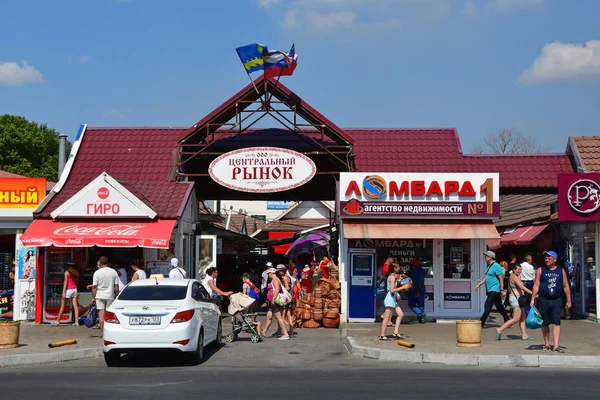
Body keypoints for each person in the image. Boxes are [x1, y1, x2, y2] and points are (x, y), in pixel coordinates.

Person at [531, 250, 571, 353]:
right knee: (545, 323)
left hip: (556, 300)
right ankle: (547, 343)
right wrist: (532, 299)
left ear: (555, 259)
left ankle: (556, 345)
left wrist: (569, 300)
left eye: (549, 257)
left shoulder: (561, 271)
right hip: (543, 300)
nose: (547, 259)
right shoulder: (541, 270)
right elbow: (536, 285)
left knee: (556, 322)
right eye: (546, 257)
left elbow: (566, 286)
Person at [495, 263, 534, 341]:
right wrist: (533, 293)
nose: (520, 271)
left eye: (521, 269)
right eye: (518, 269)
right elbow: (522, 287)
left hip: (519, 299)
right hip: (515, 299)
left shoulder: (515, 276)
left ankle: (524, 335)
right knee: (516, 319)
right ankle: (500, 329)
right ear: (514, 270)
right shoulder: (513, 276)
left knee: (523, 317)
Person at [475, 251, 510, 328]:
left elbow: (501, 278)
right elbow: (486, 277)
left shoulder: (496, 266)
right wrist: (479, 284)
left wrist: (501, 290)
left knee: (487, 305)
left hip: (494, 289)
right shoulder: (489, 266)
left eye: (486, 256)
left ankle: (481, 322)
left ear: (490, 257)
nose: (485, 258)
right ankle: (507, 320)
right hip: (490, 289)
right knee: (499, 306)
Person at [379, 262, 410, 340]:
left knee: (401, 314)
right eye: (397, 267)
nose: (399, 268)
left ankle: (395, 332)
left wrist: (403, 285)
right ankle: (382, 335)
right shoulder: (392, 277)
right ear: (394, 268)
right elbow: (392, 290)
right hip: (390, 298)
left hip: (393, 299)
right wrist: (402, 288)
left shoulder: (393, 277)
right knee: (386, 317)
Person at [92, 256, 120, 334]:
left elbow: (94, 287)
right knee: (109, 315)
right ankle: (109, 332)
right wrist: (116, 296)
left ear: (100, 263)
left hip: (99, 296)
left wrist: (93, 297)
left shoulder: (97, 273)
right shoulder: (113, 272)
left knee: (101, 314)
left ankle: (103, 332)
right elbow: (116, 287)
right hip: (110, 296)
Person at [261, 267, 290, 340]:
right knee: (269, 316)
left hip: (275, 302)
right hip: (273, 302)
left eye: (268, 274)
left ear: (271, 273)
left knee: (278, 317)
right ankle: (264, 332)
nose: (268, 275)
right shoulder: (275, 279)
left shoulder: (275, 279)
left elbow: (277, 289)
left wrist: (273, 299)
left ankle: (285, 334)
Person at [51, 260, 81, 327]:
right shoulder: (76, 273)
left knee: (63, 306)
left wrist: (63, 292)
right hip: (74, 289)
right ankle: (76, 322)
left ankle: (57, 321)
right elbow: (77, 282)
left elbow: (65, 283)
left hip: (68, 290)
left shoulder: (67, 272)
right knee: (75, 306)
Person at [408, 257, 426, 324]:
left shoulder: (420, 270)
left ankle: (420, 318)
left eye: (414, 261)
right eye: (412, 261)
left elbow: (421, 281)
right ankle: (421, 315)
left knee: (420, 304)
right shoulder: (413, 270)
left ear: (418, 262)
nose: (413, 263)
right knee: (411, 303)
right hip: (412, 289)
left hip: (419, 289)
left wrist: (417, 290)